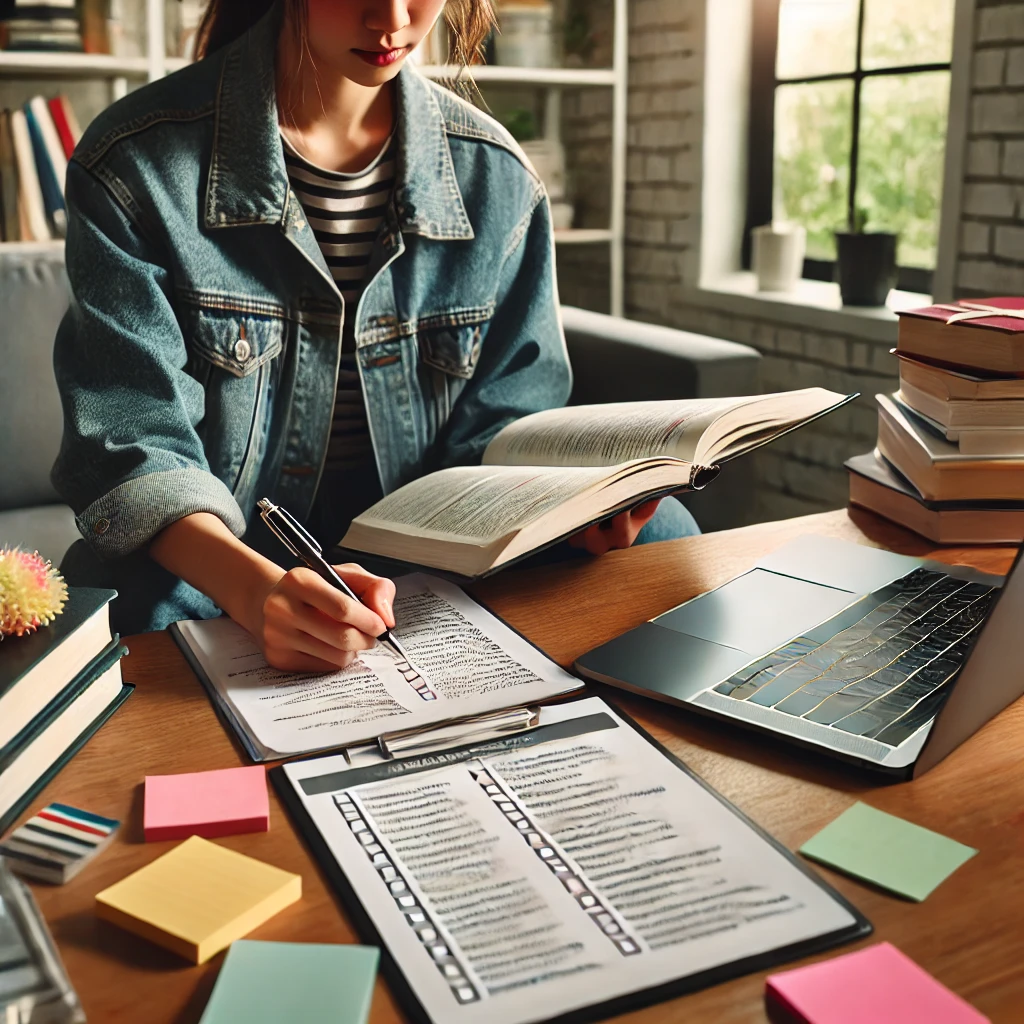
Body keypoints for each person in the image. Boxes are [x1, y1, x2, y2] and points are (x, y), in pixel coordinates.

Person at [53, 0, 699, 670]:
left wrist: (576, 509)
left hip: (423, 550)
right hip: (223, 553)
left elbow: (507, 423)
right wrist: (257, 591)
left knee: (665, 535)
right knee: (139, 608)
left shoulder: (497, 177)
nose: (391, 17)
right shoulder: (134, 163)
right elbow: (134, 440)